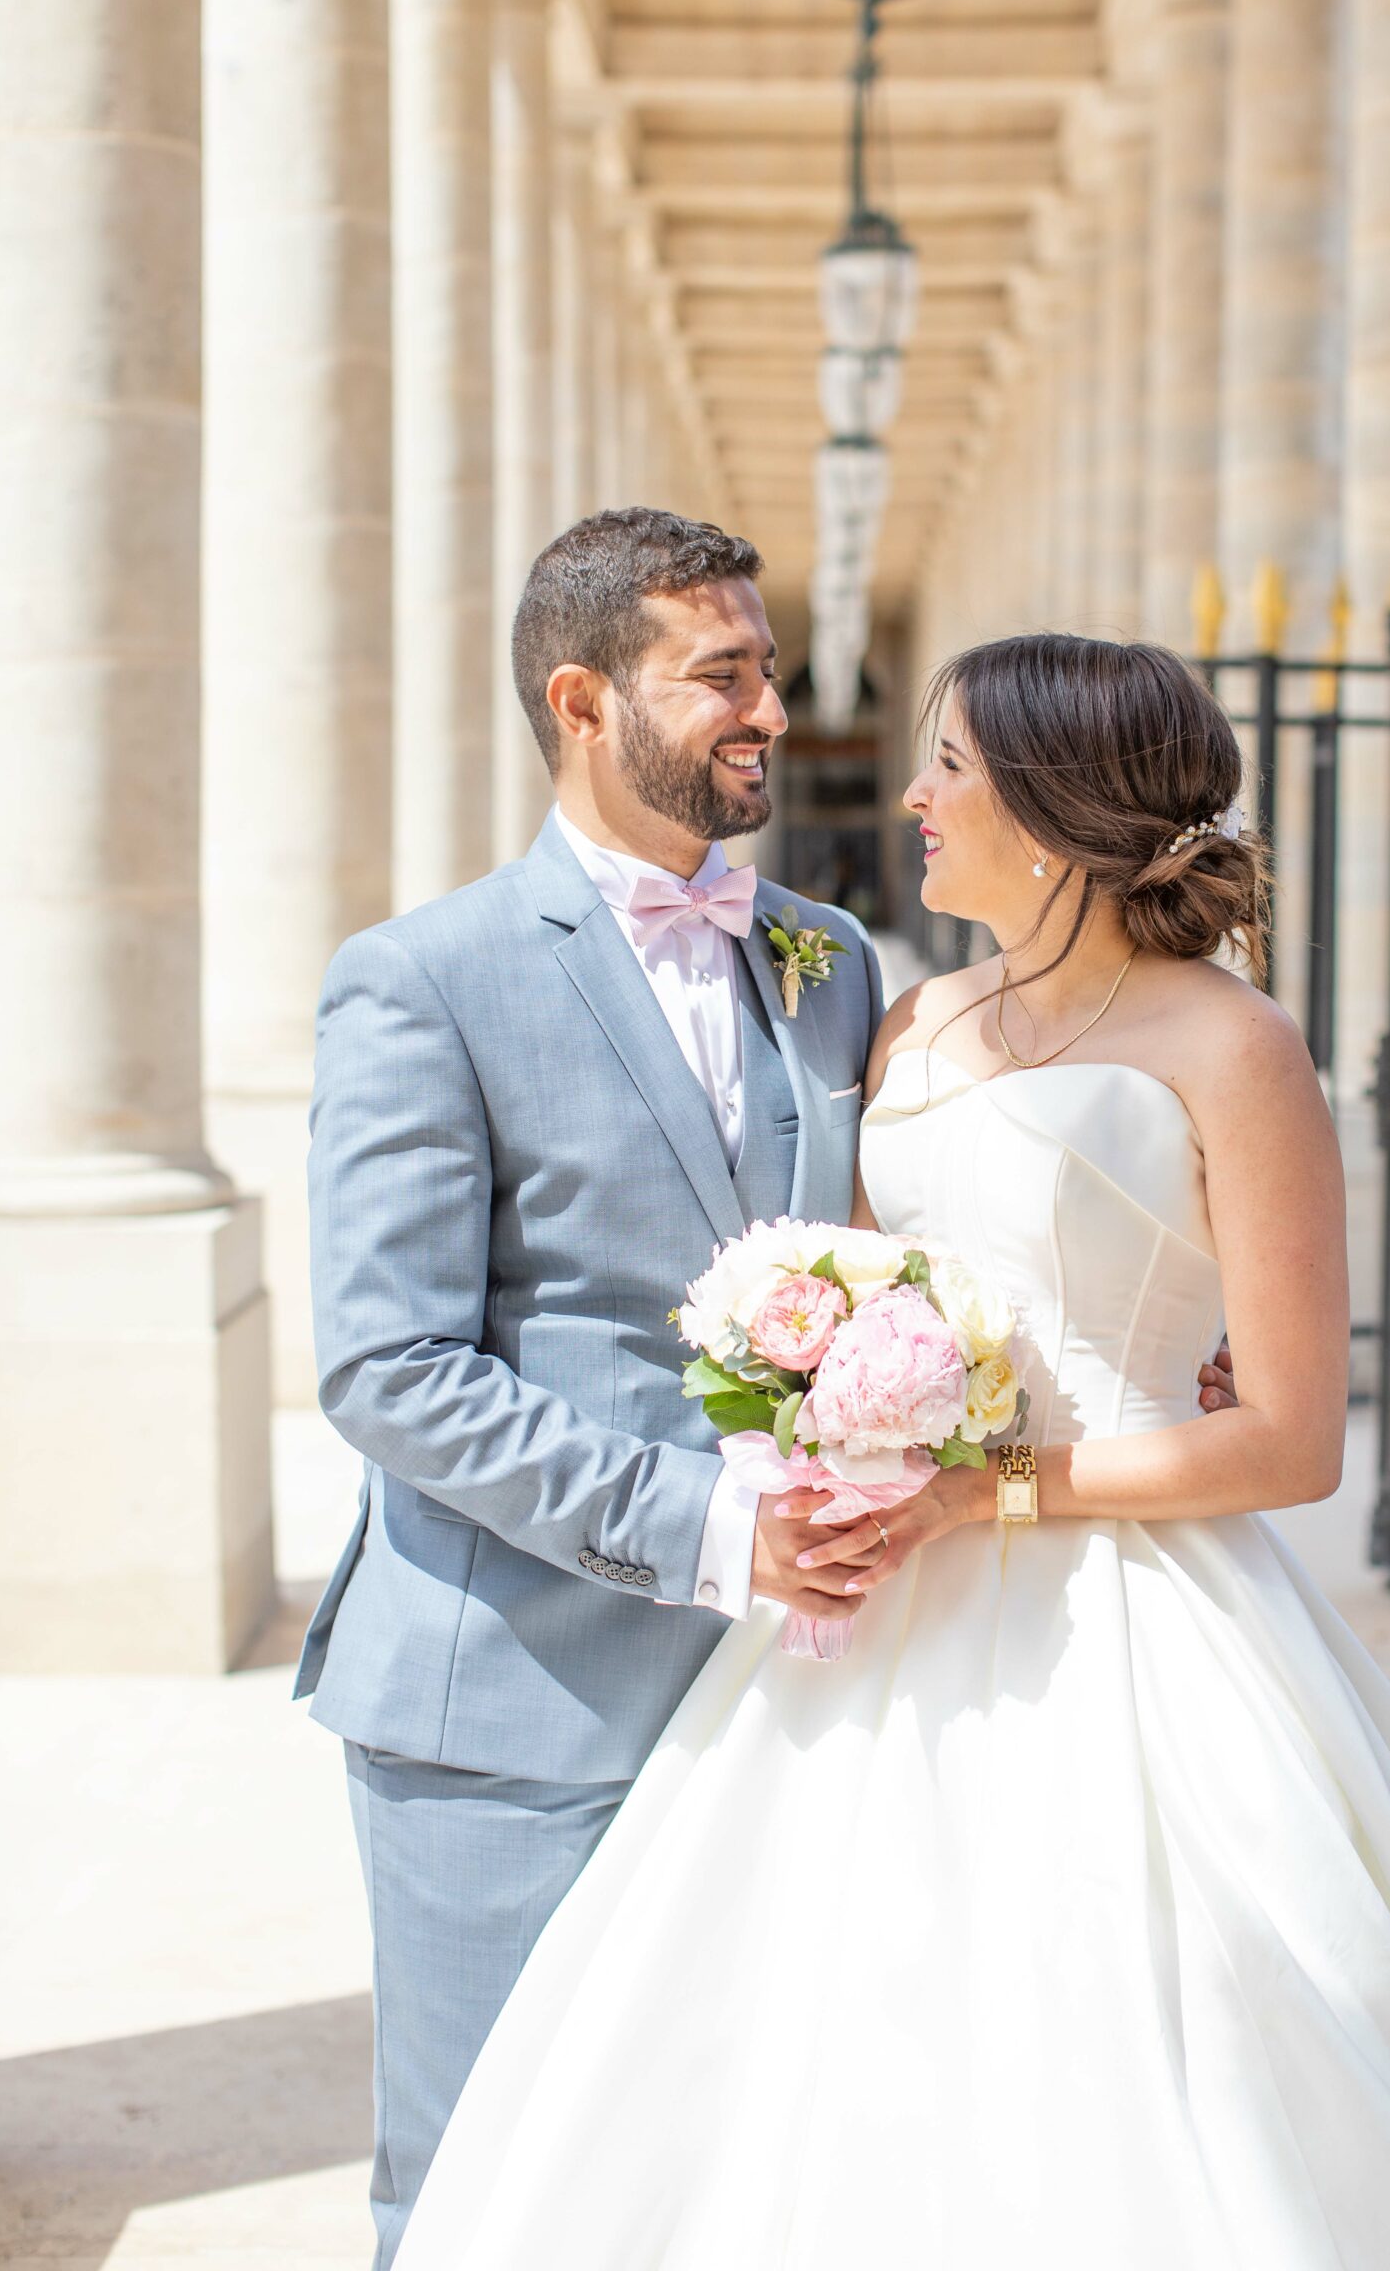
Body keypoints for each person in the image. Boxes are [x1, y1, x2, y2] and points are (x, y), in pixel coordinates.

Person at [394, 631, 1390, 2271]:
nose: (912, 797)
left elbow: (1289, 1440)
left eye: (951, 769)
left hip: (1139, 1613)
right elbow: (855, 1296)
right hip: (880, 1612)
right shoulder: (912, 1018)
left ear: (1058, 810)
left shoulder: (1234, 1048)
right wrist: (817, 1410)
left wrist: (987, 1494)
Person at [298, 509, 896, 2264]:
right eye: (722, 675)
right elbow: (390, 1365)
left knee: (735, 2186)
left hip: (794, 1710)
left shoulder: (832, 961)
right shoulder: (423, 981)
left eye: (769, 671)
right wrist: (717, 1522)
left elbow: (899, 1244)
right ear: (581, 700)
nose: (770, 710)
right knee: (492, 2187)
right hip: (514, 1715)